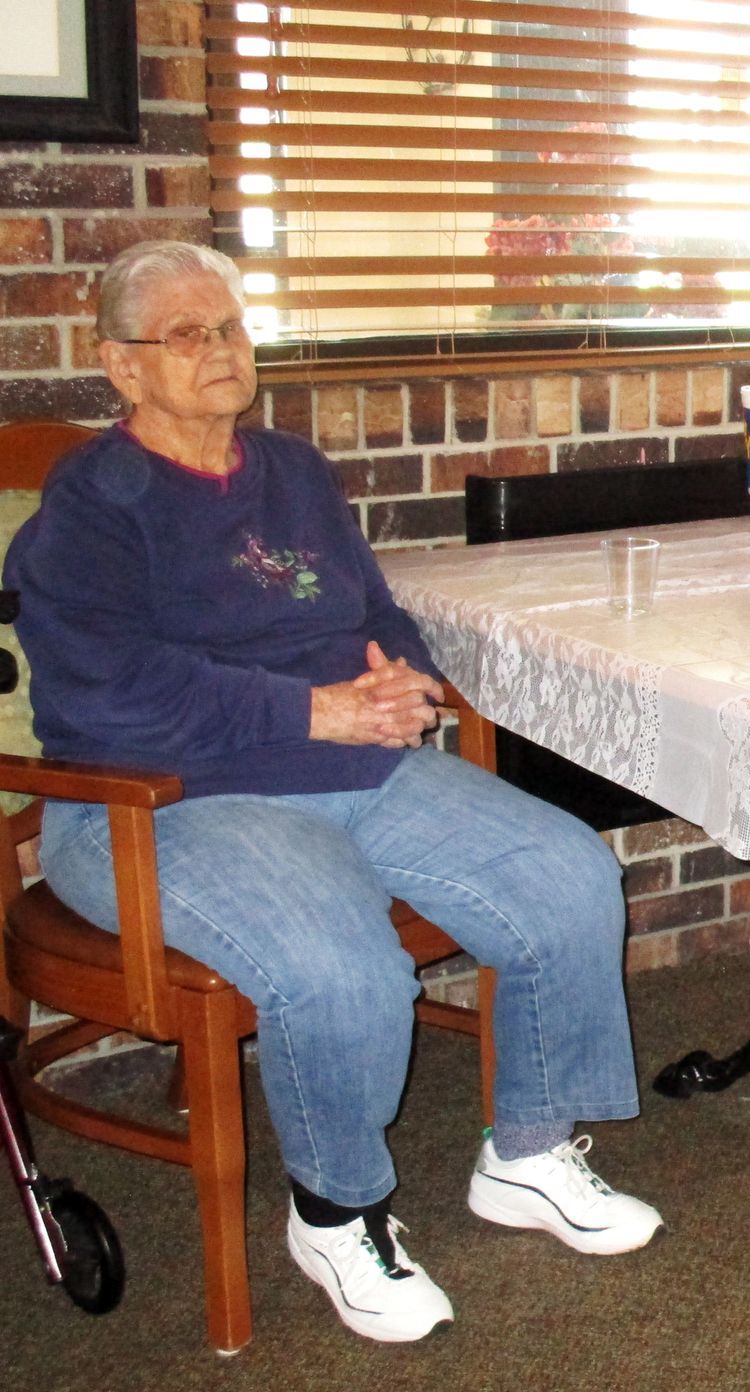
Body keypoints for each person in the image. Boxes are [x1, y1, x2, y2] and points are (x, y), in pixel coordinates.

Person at [5, 241, 660, 1343]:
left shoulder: (291, 471)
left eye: (230, 327)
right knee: (345, 966)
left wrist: (392, 673)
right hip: (163, 801)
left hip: (352, 765)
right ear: (121, 367)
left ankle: (530, 1151)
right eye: (186, 333)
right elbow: (112, 692)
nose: (221, 350)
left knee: (567, 873)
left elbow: (368, 607)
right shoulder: (94, 504)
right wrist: (311, 711)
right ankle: (337, 1211)